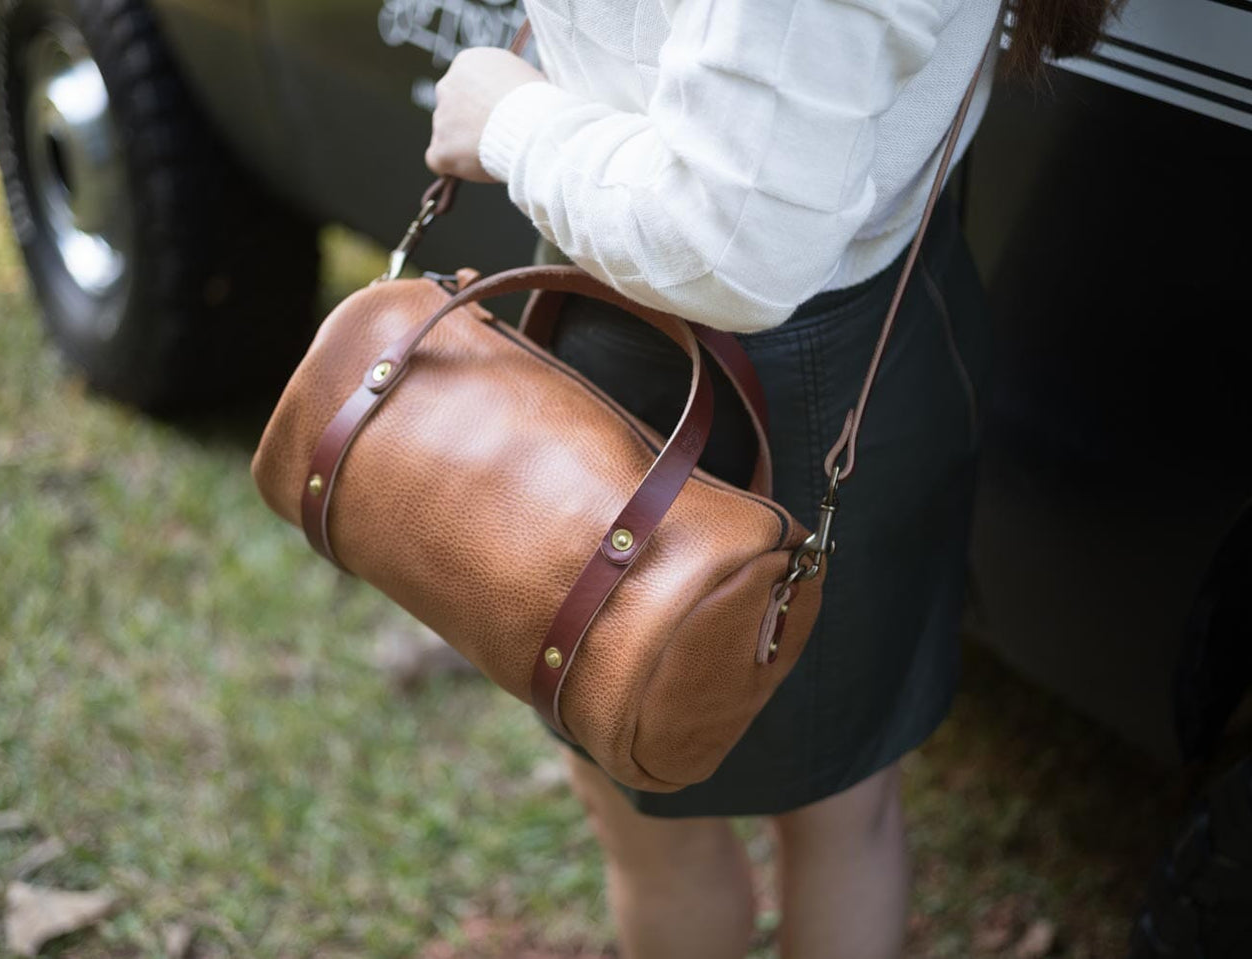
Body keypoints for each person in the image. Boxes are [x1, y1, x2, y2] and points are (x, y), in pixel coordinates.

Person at [425, 1, 1120, 956]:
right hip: (811, 309)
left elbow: (728, 249)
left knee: (709, 806)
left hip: (757, 351)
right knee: (801, 800)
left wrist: (512, 122)